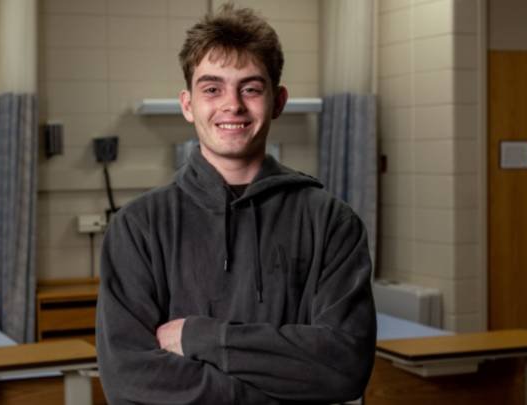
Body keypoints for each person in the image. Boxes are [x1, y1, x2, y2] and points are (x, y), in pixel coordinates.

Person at [96, 4, 376, 404]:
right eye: (212, 89)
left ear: (277, 101)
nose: (233, 105)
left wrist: (202, 337)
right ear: (188, 104)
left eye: (250, 88)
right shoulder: (138, 227)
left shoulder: (330, 222)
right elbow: (129, 379)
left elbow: (345, 367)